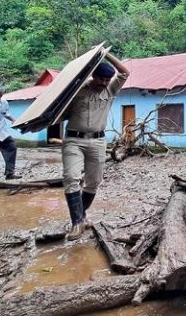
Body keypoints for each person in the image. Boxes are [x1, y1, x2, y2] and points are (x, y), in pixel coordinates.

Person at [61, 52, 130, 240]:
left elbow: (125, 72)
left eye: (107, 80)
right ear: (93, 76)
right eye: (101, 79)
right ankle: (76, 223)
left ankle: (81, 216)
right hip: (74, 140)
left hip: (98, 141)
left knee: (93, 182)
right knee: (71, 177)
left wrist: (107, 55)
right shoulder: (77, 90)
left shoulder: (110, 90)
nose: (104, 83)